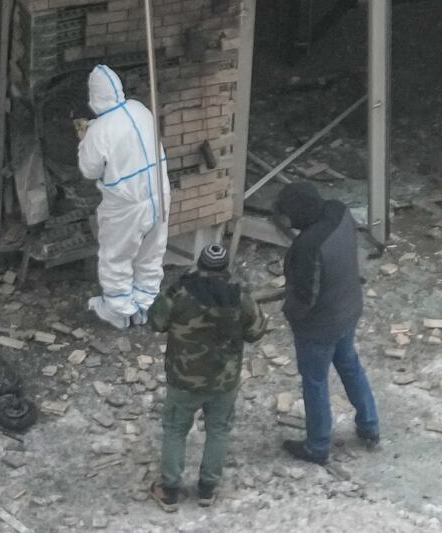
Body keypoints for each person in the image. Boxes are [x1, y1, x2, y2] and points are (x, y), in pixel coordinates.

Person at [147, 244, 267, 511]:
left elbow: (156, 322)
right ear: (226, 268)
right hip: (224, 380)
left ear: (199, 265)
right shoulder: (240, 295)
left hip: (183, 378)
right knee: (218, 430)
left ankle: (169, 491)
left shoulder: (179, 292)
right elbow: (257, 331)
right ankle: (207, 490)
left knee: (176, 430)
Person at [274, 182, 379, 465]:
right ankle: (369, 425)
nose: (289, 222)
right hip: (348, 307)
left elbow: (305, 297)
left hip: (320, 326)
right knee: (349, 364)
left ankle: (317, 445)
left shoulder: (308, 246)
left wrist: (291, 316)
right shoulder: (339, 211)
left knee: (315, 381)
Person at [77, 64, 171, 330]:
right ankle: (145, 305)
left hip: (127, 205)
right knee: (151, 252)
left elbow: (88, 169)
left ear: (94, 96)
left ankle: (118, 311)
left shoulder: (99, 130)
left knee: (116, 256)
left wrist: (85, 139)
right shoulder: (140, 110)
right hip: (159, 193)